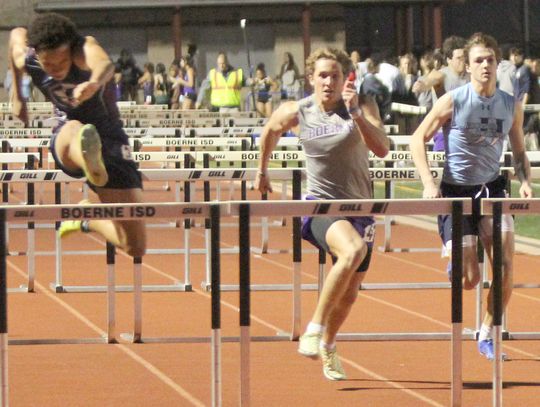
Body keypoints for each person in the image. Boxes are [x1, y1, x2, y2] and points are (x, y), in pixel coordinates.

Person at [256, 47, 389, 380]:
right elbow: (270, 130)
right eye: (323, 75)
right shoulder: (299, 111)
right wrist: (262, 171)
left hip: (360, 209)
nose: (329, 81)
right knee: (353, 250)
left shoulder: (361, 106)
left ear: (346, 78)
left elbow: (383, 149)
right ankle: (313, 328)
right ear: (311, 78)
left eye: (336, 75)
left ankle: (328, 344)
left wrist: (357, 113)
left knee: (351, 295)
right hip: (320, 206)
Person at [410, 32, 533, 361]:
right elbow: (417, 139)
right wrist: (427, 182)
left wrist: (524, 181)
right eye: (478, 60)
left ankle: (486, 332)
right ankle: (455, 257)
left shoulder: (510, 106)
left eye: (490, 59)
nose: (485, 65)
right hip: (457, 193)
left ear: (497, 63)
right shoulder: (453, 100)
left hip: (493, 190)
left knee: (506, 269)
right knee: (469, 280)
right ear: (468, 66)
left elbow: (520, 152)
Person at [9, 12, 146, 258]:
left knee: (135, 245)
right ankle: (88, 157)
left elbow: (104, 64)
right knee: (75, 128)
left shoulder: (84, 49)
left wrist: (93, 82)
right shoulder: (28, 58)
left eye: (62, 63)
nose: (56, 70)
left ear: (71, 51)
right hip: (67, 135)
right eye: (48, 65)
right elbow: (15, 35)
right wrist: (17, 95)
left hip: (110, 138)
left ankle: (87, 217)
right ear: (37, 54)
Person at [412, 36, 469, 151]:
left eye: (464, 58)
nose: (462, 62)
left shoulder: (471, 75)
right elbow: (431, 79)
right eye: (459, 58)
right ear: (448, 59)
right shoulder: (442, 74)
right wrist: (423, 85)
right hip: (444, 134)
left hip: (468, 133)